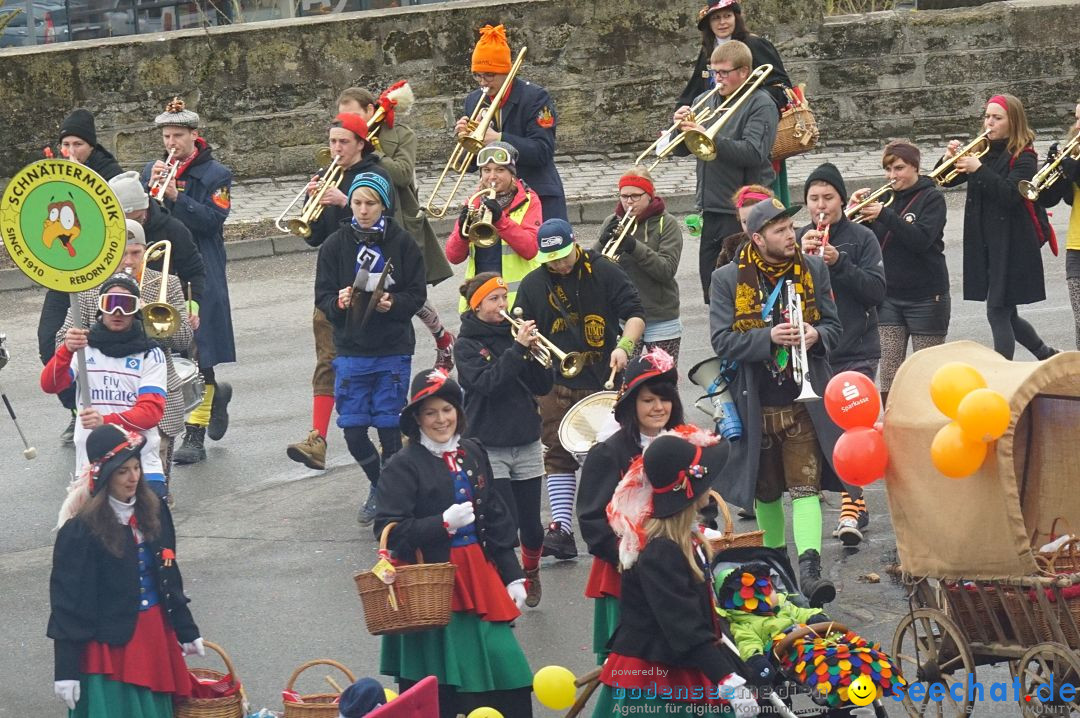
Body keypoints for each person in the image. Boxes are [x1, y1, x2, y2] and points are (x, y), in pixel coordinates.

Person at [374, 369, 533, 718]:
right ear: (417, 418)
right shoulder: (403, 465)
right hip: (431, 583)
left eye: (446, 409)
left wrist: (512, 574)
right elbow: (388, 530)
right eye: (430, 412)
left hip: (478, 573)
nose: (440, 419)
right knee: (439, 682)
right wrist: (441, 524)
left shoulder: (473, 451)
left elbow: (494, 515)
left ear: (458, 412)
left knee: (507, 667)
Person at [709, 199, 844, 607]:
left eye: (790, 227)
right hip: (756, 403)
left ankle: (810, 569)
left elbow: (836, 326)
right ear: (757, 237)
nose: (791, 236)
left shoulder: (814, 268)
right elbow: (721, 340)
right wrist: (767, 338)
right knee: (766, 493)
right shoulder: (727, 278)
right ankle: (778, 568)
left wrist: (816, 336)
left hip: (803, 400)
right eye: (781, 230)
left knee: (805, 488)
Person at [48, 424, 203, 717]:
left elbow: (169, 573)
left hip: (155, 634)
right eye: (122, 472)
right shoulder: (80, 531)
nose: (133, 477)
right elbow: (68, 603)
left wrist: (185, 628)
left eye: (136, 468)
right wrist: (66, 668)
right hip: (109, 647)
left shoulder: (155, 508)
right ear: (105, 477)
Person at [513, 218, 645, 560]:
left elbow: (635, 315)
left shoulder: (604, 271)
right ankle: (562, 530)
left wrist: (625, 348)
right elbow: (521, 329)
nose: (559, 264)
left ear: (574, 243)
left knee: (611, 456)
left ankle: (619, 523)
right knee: (556, 453)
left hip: (603, 377)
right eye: (551, 259)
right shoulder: (533, 283)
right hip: (555, 381)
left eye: (563, 255)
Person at [600, 431, 757, 715]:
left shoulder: (687, 540)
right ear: (691, 492)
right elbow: (682, 624)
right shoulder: (661, 553)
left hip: (684, 653)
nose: (711, 488)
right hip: (656, 674)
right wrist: (725, 677)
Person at [286, 112, 399, 472]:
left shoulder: (376, 174)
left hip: (370, 284)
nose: (335, 148)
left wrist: (345, 200)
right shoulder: (327, 177)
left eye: (343, 142)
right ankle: (316, 438)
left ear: (361, 143)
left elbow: (385, 223)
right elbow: (314, 238)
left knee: (377, 367)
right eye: (332, 141)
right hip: (334, 283)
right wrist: (312, 206)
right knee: (326, 360)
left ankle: (394, 443)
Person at [314, 173, 426, 526]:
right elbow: (323, 296)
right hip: (350, 349)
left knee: (389, 425)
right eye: (358, 203)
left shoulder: (403, 243)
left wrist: (393, 303)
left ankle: (391, 495)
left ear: (383, 206)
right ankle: (379, 484)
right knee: (354, 429)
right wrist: (340, 301)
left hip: (392, 347)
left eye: (371, 204)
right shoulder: (335, 245)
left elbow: (417, 293)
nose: (363, 211)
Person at [576, 348, 683, 718]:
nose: (658, 407)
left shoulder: (683, 443)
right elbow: (591, 522)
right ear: (630, 405)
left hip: (677, 567)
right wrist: (630, 556)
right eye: (648, 400)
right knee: (632, 665)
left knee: (679, 652)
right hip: (625, 571)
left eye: (664, 399)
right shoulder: (608, 453)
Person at [56, 220, 192, 493]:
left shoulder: (166, 284)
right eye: (121, 254)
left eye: (136, 253)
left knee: (153, 497)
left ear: (146, 252)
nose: (128, 262)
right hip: (103, 405)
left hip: (154, 401)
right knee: (105, 496)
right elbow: (62, 340)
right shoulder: (91, 289)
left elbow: (184, 339)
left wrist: (145, 321)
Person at [140, 97, 236, 465]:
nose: (171, 143)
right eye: (166, 135)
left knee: (201, 349)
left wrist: (179, 198)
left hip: (201, 267)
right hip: (163, 266)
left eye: (178, 135)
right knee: (168, 347)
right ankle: (208, 402)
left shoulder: (216, 175)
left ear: (195, 135)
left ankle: (195, 434)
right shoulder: (153, 167)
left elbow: (213, 222)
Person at [336, 86, 457, 369]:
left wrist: (371, 150)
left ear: (370, 110)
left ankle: (441, 338)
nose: (348, 123)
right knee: (370, 289)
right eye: (343, 118)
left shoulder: (401, 134)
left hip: (400, 221)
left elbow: (403, 174)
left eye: (354, 115)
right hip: (362, 223)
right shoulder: (345, 141)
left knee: (406, 289)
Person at [798, 163, 886, 548]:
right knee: (827, 429)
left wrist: (840, 262)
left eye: (828, 198)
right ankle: (844, 495)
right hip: (818, 350)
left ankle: (853, 505)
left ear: (841, 200)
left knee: (853, 427)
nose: (821, 206)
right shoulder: (798, 238)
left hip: (858, 347)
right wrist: (798, 261)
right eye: (814, 199)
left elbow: (876, 291)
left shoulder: (862, 237)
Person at [454, 272, 554, 608]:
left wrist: (541, 356)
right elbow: (487, 384)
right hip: (488, 443)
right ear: (478, 304)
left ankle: (532, 569)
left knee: (533, 528)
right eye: (494, 299)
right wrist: (519, 350)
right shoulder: (467, 344)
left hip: (525, 438)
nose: (502, 305)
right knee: (504, 525)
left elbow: (541, 387)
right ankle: (505, 583)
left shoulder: (516, 335)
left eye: (503, 298)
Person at [936, 94, 1057, 361]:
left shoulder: (1025, 155)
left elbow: (1010, 195)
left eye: (997, 118)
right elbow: (944, 181)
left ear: (1012, 121)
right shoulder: (982, 150)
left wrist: (978, 169)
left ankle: (1001, 369)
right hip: (984, 241)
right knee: (1007, 312)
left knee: (997, 310)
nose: (989, 122)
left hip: (1012, 243)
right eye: (987, 116)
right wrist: (948, 157)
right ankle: (1045, 353)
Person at [38, 108, 126, 445]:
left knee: (95, 346)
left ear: (90, 145)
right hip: (65, 273)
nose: (70, 151)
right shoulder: (57, 171)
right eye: (65, 144)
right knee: (50, 343)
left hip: (98, 276)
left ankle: (101, 411)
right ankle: (75, 408)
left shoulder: (110, 173)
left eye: (77, 144)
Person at [42, 272, 170, 497]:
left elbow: (151, 412)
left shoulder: (151, 353)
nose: (118, 312)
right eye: (110, 303)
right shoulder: (83, 347)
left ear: (136, 310)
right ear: (101, 308)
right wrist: (65, 350)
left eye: (126, 305)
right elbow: (50, 385)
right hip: (93, 465)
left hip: (140, 466)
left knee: (149, 531)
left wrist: (105, 422)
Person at [670, 40, 778, 304]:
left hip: (745, 209)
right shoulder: (702, 101)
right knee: (712, 289)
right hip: (712, 206)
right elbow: (681, 151)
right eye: (713, 72)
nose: (717, 79)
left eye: (723, 73)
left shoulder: (761, 103)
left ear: (743, 72)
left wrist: (710, 137)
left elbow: (754, 152)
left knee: (746, 295)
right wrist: (678, 129)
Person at [848, 141, 949, 404]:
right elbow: (865, 243)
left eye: (899, 168)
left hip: (928, 296)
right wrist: (853, 213)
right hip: (890, 296)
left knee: (928, 372)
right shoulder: (883, 199)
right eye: (888, 169)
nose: (892, 176)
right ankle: (894, 426)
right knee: (890, 373)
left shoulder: (932, 198)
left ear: (915, 166)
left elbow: (921, 240)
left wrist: (885, 215)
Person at [678, 0, 795, 204]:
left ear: (736, 18)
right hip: (716, 128)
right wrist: (678, 121)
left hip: (750, 125)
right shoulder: (708, 49)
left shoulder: (755, 44)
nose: (722, 22)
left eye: (727, 16)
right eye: (716, 18)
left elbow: (782, 87)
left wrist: (748, 97)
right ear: (709, 24)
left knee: (756, 192)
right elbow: (695, 90)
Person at [459, 23, 567, 221]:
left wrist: (498, 139)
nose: (483, 82)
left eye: (489, 75)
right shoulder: (473, 100)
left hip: (538, 194)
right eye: (477, 75)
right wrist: (465, 140)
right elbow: (470, 166)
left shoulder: (535, 97)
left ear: (507, 72)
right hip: (496, 198)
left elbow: (542, 151)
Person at [593, 167, 684, 366]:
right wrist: (601, 242)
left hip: (660, 316)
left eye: (635, 196)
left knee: (662, 380)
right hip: (622, 317)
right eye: (624, 196)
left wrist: (634, 246)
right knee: (622, 379)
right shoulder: (612, 221)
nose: (628, 201)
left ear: (649, 195)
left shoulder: (667, 224)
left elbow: (666, 270)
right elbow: (592, 269)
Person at [445, 141, 543, 312]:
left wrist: (501, 221)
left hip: (519, 300)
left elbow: (531, 249)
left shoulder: (529, 200)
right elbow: (453, 257)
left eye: (500, 170)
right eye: (486, 170)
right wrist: (462, 232)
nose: (492, 176)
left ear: (512, 174)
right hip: (481, 300)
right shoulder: (474, 201)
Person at [109, 171, 206, 330]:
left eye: (138, 218)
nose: (133, 226)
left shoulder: (173, 229)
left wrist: (191, 305)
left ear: (146, 207)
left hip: (161, 315)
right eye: (125, 220)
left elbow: (194, 271)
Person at [1037, 97, 1080, 348]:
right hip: (1076, 247)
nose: (1077, 125)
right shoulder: (1075, 151)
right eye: (1076, 118)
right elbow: (1052, 200)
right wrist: (1054, 171)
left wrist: (1072, 168)